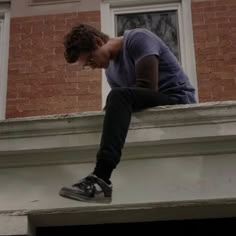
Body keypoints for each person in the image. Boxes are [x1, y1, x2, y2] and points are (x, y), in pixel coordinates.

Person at [59, 23, 196, 203]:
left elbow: (147, 87)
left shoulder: (138, 38)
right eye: (86, 66)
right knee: (113, 104)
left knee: (117, 97)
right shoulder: (111, 72)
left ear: (98, 41)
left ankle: (101, 178)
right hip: (156, 108)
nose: (91, 67)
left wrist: (115, 107)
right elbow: (128, 104)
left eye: (90, 60)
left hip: (178, 100)